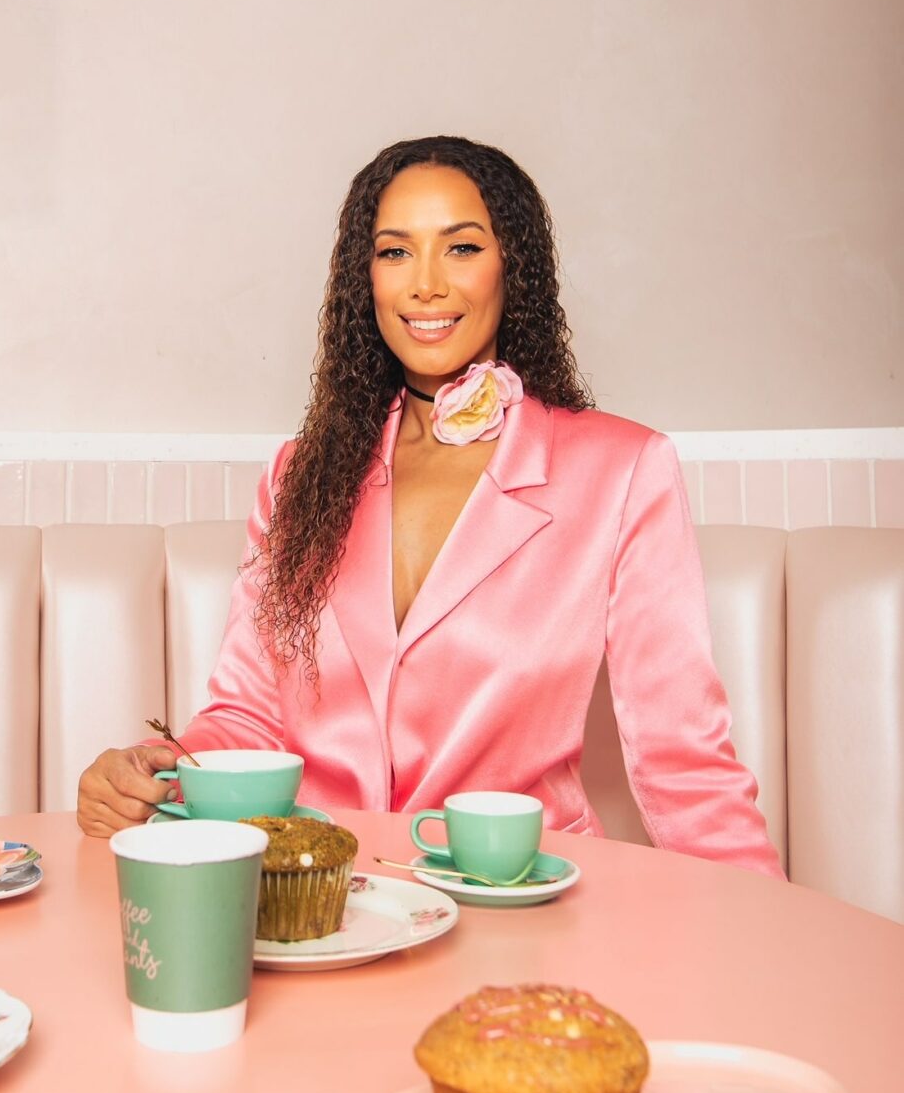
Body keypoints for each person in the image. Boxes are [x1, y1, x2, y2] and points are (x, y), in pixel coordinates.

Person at [77, 135, 784, 878]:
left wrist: (767, 934)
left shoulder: (624, 469)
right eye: (395, 252)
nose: (425, 285)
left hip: (518, 899)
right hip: (323, 899)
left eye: (461, 248)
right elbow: (249, 716)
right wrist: (151, 777)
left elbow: (683, 758)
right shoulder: (300, 477)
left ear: (514, 267)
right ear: (366, 279)